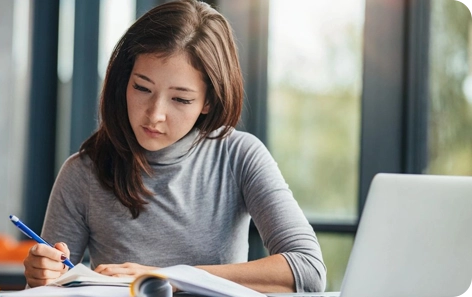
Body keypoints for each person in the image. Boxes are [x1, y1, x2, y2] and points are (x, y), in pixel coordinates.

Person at [23, 0, 326, 293]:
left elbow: (308, 270)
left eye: (181, 99)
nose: (155, 115)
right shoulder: (84, 173)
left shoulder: (239, 156)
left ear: (208, 101)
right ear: (123, 81)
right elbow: (49, 289)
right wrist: (42, 278)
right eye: (142, 88)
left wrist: (168, 277)